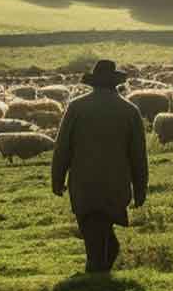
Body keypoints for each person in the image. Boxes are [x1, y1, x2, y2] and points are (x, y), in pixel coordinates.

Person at [51, 59, 148, 273]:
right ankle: (98, 278)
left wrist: (57, 179)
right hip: (115, 184)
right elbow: (138, 155)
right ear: (116, 83)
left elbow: (63, 147)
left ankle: (95, 277)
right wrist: (140, 188)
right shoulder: (129, 110)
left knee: (93, 230)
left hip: (83, 183)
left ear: (93, 83)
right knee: (103, 229)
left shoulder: (76, 107)